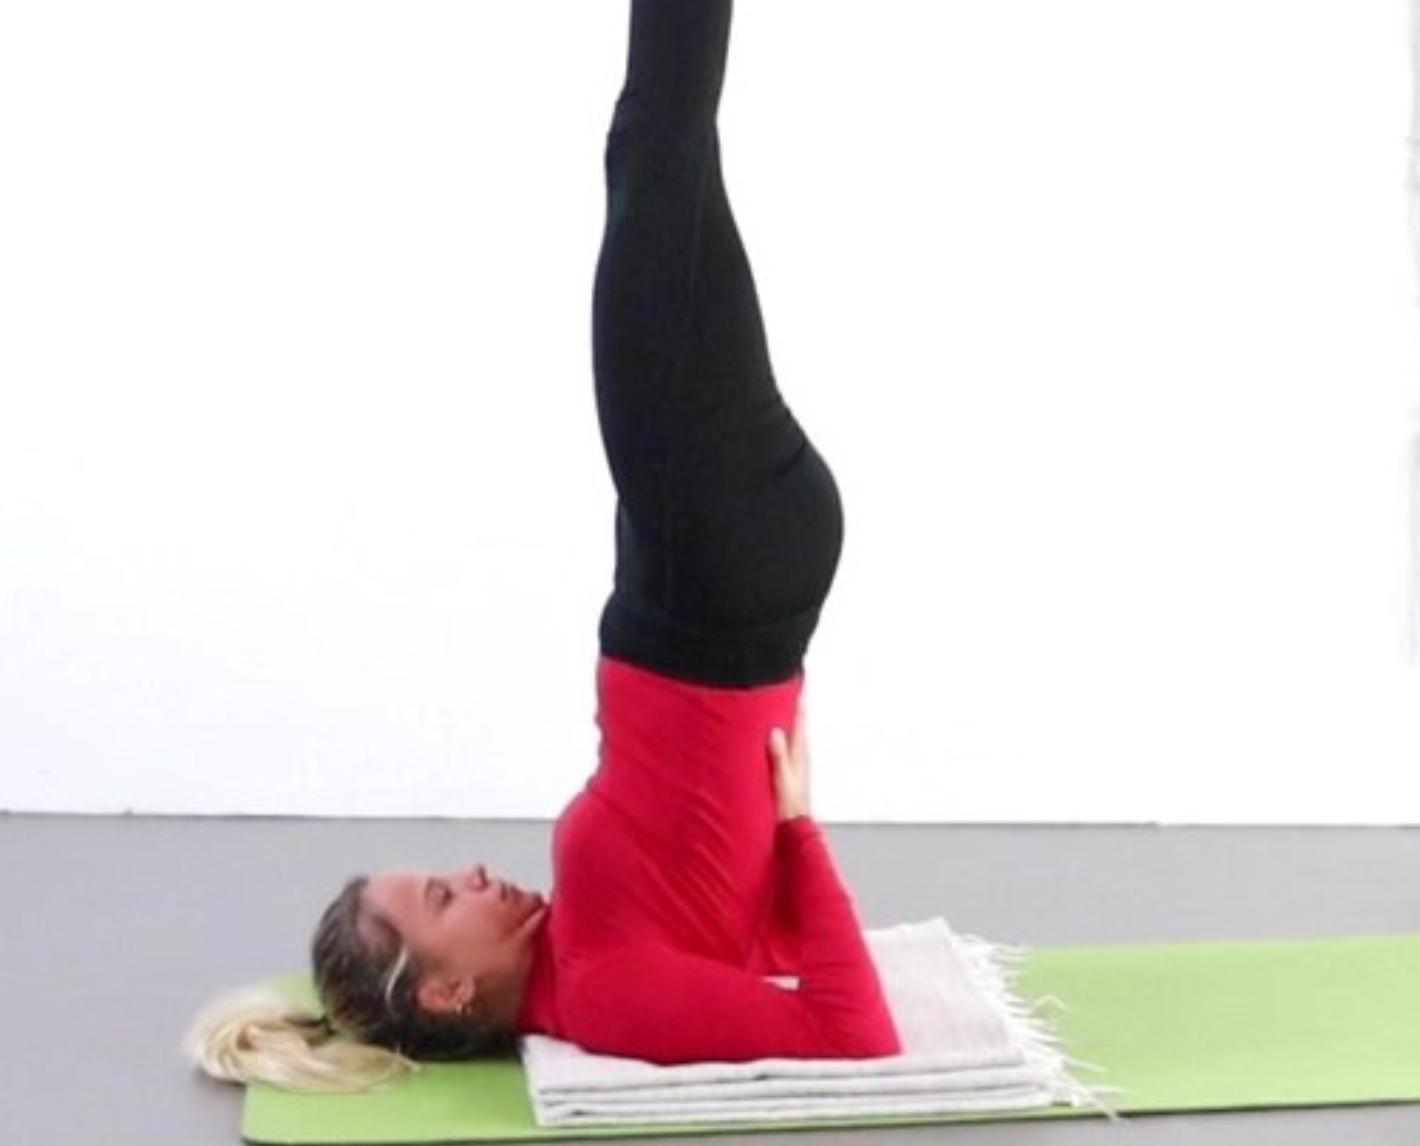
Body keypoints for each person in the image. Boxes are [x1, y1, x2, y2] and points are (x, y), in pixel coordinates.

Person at [183, 0, 903, 1093]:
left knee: (665, 152)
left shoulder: (585, 949)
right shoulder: (607, 993)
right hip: (713, 570)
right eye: (442, 898)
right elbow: (854, 1031)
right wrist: (797, 828)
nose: (473, 872)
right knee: (656, 144)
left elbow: (759, 934)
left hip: (688, 565)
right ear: (446, 992)